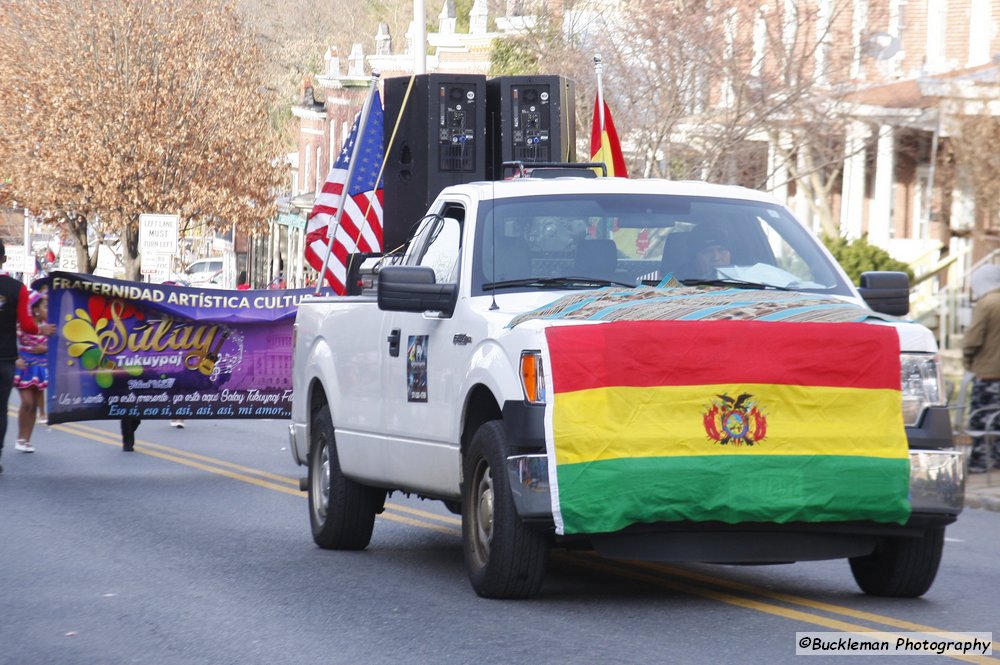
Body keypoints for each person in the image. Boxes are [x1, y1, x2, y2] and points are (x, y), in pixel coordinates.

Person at [0, 240, 56, 474]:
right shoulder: (16, 288)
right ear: (3, 259)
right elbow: (26, 324)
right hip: (4, 358)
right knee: (0, 409)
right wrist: (41, 329)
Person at [962, 263, 1000, 473]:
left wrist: (967, 360)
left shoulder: (987, 303)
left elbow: (973, 338)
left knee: (982, 417)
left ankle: (980, 462)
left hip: (988, 372)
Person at [13, 291, 50, 452]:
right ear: (35, 309)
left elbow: (60, 345)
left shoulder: (49, 326)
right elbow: (10, 341)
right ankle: (20, 437)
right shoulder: (22, 326)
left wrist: (45, 348)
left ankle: (27, 440)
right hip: (24, 366)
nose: (46, 309)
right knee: (27, 402)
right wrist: (16, 358)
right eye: (43, 306)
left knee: (34, 404)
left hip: (40, 367)